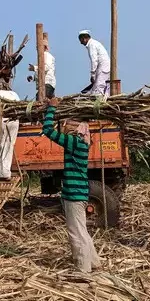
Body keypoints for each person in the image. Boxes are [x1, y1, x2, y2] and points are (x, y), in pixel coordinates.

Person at [42, 96, 100, 272]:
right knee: (81, 230)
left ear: (76, 130)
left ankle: (83, 269)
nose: (65, 126)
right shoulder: (82, 143)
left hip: (74, 195)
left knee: (76, 233)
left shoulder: (74, 142)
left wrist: (51, 108)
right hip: (78, 193)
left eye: (68, 124)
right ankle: (95, 262)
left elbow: (47, 131)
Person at [0, 76, 20, 180]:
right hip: (14, 121)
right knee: (9, 145)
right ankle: (6, 172)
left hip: (3, 120)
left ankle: (0, 172)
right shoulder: (15, 94)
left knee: (1, 145)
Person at [78, 30, 110, 97]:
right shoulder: (94, 43)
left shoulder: (91, 44)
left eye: (80, 40)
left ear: (84, 38)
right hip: (103, 67)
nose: (80, 43)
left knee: (99, 88)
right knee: (97, 88)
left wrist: (93, 74)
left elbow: (94, 60)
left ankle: (99, 105)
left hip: (103, 67)